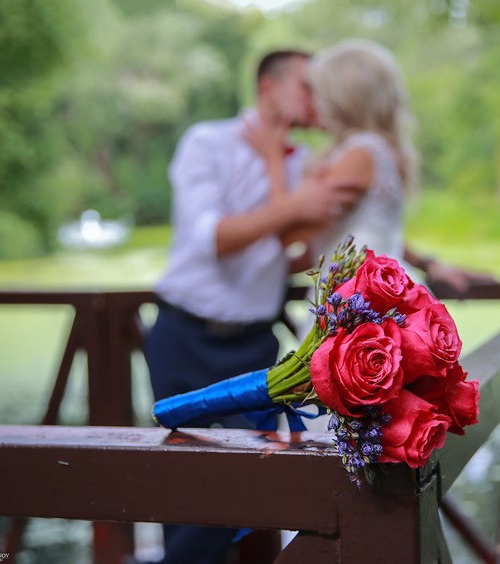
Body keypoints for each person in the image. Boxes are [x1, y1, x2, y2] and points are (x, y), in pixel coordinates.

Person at [143, 49, 363, 564]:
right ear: (270, 88)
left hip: (256, 343)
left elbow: (295, 253)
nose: (319, 97)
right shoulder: (207, 142)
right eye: (309, 86)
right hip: (185, 335)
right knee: (186, 488)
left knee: (251, 489)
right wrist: (293, 205)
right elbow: (212, 240)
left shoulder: (307, 164)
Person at [245, 39, 493, 290]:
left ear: (340, 98)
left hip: (363, 297)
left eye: (315, 91)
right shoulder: (367, 149)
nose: (310, 100)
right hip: (367, 288)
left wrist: (273, 159)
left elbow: (285, 231)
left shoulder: (360, 153)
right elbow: (328, 244)